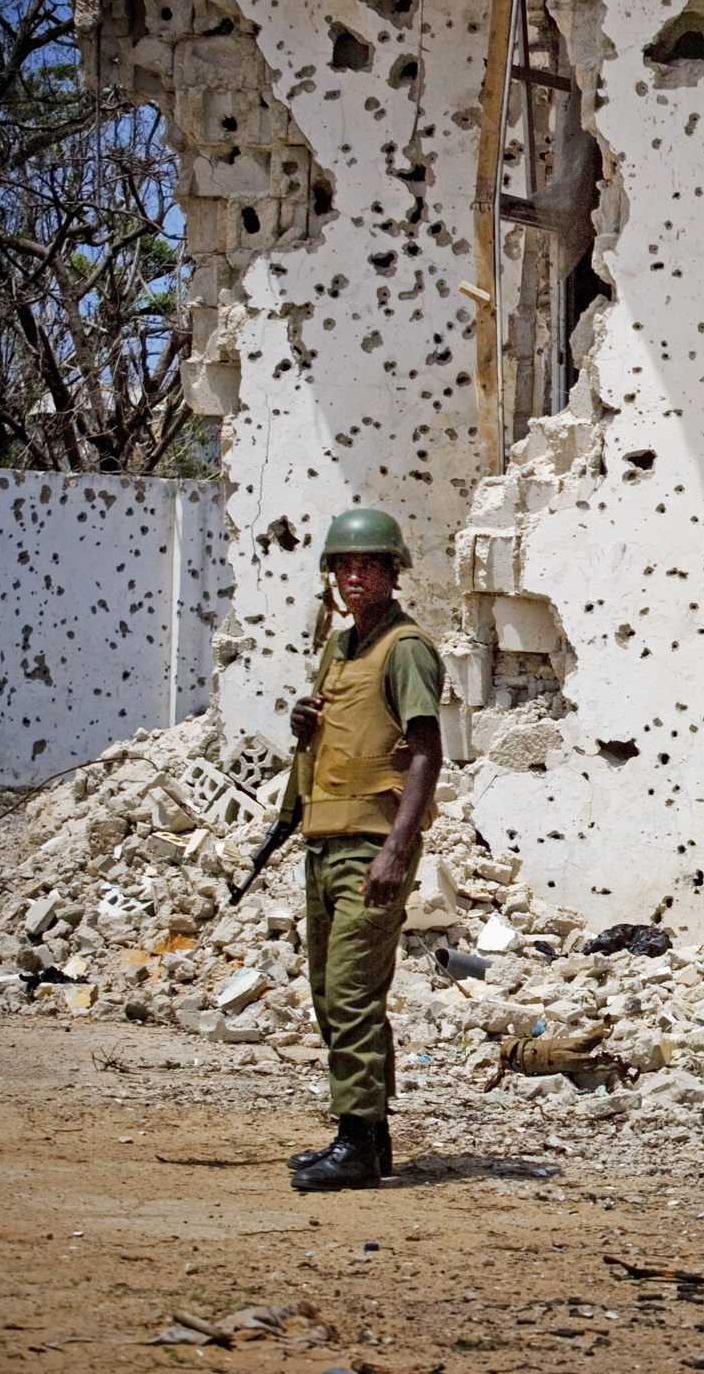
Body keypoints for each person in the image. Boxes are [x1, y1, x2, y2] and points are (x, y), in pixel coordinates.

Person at [283, 508, 444, 1192]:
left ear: (391, 573)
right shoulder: (341, 649)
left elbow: (427, 753)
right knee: (331, 993)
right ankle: (369, 1139)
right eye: (345, 567)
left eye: (369, 566)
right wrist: (302, 723)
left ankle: (353, 1141)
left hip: (370, 846)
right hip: (325, 842)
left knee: (351, 992)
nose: (355, 577)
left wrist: (397, 853)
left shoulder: (405, 648)